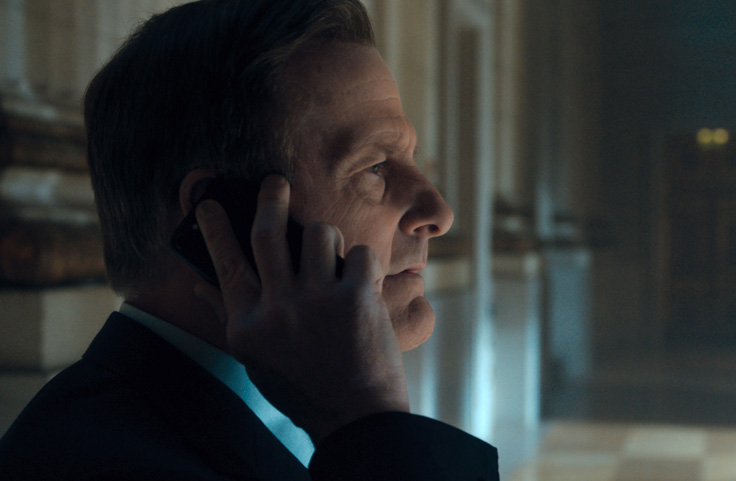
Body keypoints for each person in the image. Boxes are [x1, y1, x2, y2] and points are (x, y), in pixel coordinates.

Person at [0, 0, 499, 479]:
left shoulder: (299, 425)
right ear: (217, 216)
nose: (440, 213)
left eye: (412, 159)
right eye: (373, 166)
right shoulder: (101, 465)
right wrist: (369, 424)